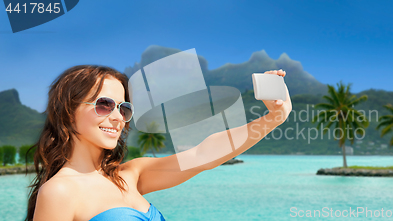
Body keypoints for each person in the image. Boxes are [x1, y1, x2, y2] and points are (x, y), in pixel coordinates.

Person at [26, 65, 292, 221]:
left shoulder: (130, 175)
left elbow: (203, 154)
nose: (118, 117)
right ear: (66, 111)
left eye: (124, 108)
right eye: (104, 105)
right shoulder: (59, 192)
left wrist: (273, 119)